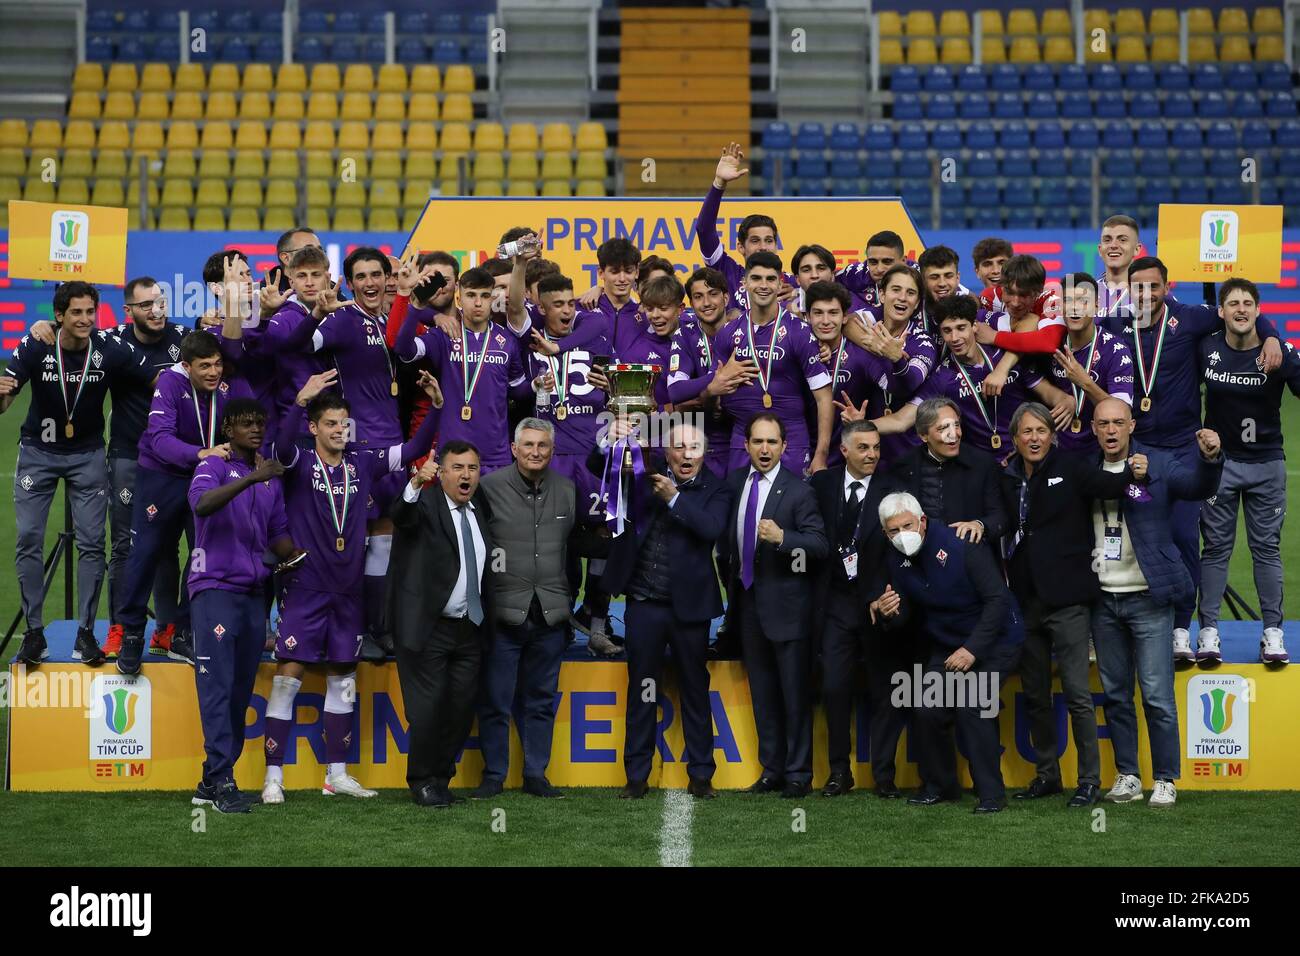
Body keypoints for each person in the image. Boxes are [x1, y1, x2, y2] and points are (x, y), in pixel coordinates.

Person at [259, 370, 443, 804]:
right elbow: (279, 448)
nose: (340, 431)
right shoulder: (300, 462)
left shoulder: (364, 461)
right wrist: (301, 400)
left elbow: (414, 450)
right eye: (331, 424)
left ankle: (336, 775)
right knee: (288, 676)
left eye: (344, 424)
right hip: (306, 586)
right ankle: (273, 777)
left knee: (343, 677)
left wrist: (435, 408)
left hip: (348, 589)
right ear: (314, 428)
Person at [1099, 255, 1282, 659]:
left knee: (1184, 538)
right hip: (1139, 449)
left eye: (1153, 286)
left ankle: (1182, 628)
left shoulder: (1192, 318)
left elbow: (1239, 314)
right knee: (1136, 540)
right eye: (1138, 286)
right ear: (1129, 289)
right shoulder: (1114, 326)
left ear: (1167, 287)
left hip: (1183, 450)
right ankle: (1131, 626)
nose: (1146, 293)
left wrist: (1270, 335)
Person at [25, 277, 190, 659]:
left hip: (175, 456)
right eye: (146, 304)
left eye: (160, 302)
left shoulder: (184, 337)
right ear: (128, 311)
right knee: (123, 546)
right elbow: (74, 333)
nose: (156, 310)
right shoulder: (113, 340)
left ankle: (166, 629)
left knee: (168, 546)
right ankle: (118, 628)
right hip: (128, 454)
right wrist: (46, 326)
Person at [2, 281, 154, 666]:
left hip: (87, 455)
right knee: (29, 539)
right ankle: (34, 633)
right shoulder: (36, 344)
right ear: (59, 316)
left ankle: (86, 634)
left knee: (91, 543)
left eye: (90, 312)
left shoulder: (108, 349)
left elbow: (155, 378)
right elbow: (5, 401)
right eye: (76, 312)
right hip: (38, 453)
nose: (85, 319)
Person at [999, 402, 1140, 807]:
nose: (1034, 438)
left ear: (1052, 435)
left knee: (1078, 693)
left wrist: (1135, 471)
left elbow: (1112, 487)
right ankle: (1047, 775)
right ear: (1015, 439)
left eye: (1041, 430)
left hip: (1068, 601)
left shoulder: (1073, 468)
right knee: (1036, 693)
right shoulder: (1008, 478)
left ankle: (1089, 781)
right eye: (1026, 432)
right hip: (1026, 601)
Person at [1089, 398, 1224, 808]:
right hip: (1103, 599)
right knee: (1115, 695)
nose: (1111, 431)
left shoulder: (1159, 464)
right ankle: (1128, 775)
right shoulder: (1084, 469)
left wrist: (1211, 456)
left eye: (1118, 422)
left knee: (1157, 696)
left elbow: (1199, 487)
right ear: (1093, 428)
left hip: (1149, 596)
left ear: (1131, 425)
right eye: (1103, 424)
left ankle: (1165, 778)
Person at [591, 420, 730, 799]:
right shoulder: (643, 475)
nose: (687, 455)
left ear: (705, 453)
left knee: (695, 691)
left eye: (695, 448)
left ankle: (702, 775)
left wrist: (673, 498)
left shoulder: (716, 487)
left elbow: (711, 528)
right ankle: (636, 776)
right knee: (642, 691)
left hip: (691, 611)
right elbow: (595, 468)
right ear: (666, 451)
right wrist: (609, 440)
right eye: (679, 447)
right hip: (644, 605)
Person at [873, 491, 1024, 813]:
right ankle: (940, 786)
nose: (902, 536)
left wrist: (972, 650)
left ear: (922, 521)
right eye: (893, 531)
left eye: (907, 526)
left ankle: (991, 795)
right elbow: (905, 614)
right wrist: (888, 612)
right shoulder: (896, 559)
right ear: (885, 533)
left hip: (996, 640)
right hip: (947, 644)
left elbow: (997, 600)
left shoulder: (961, 544)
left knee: (972, 705)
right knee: (926, 705)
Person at [187, 398, 298, 813]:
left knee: (237, 692)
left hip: (254, 593)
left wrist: (294, 555)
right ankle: (222, 782)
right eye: (245, 423)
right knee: (217, 688)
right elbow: (202, 504)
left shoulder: (269, 475)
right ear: (228, 429)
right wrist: (251, 479)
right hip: (214, 589)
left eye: (259, 422)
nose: (255, 429)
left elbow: (278, 530)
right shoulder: (213, 465)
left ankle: (211, 779)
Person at [116, 331, 250, 675]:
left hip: (205, 476)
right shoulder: (171, 384)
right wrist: (201, 453)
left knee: (202, 555)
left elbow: (253, 416)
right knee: (146, 552)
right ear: (186, 365)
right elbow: (160, 439)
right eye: (204, 366)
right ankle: (132, 631)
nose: (213, 372)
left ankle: (183, 631)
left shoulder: (229, 384)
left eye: (218, 364)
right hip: (162, 476)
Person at [725, 414, 829, 798]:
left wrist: (785, 538)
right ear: (747, 446)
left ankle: (799, 773)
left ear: (785, 447)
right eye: (757, 442)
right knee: (764, 694)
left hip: (789, 611)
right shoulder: (735, 483)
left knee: (794, 694)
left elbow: (819, 546)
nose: (764, 449)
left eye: (772, 442)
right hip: (748, 606)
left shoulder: (799, 491)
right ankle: (772, 770)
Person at [1196, 278, 1299, 664]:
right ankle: (1208, 631)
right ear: (1220, 312)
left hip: (1267, 464)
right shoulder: (1205, 348)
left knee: (1266, 550)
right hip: (1219, 465)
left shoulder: (1279, 351)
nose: (1240, 309)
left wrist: (1279, 343)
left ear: (1258, 310)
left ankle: (1272, 633)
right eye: (1232, 303)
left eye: (1247, 303)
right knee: (1216, 550)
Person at [388, 440, 494, 808]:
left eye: (472, 468)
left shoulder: (479, 507)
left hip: (469, 627)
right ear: (442, 472)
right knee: (427, 708)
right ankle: (421, 781)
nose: (466, 475)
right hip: (427, 627)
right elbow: (401, 515)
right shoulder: (426, 504)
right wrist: (416, 483)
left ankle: (441, 779)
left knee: (461, 707)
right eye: (457, 468)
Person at [475, 418, 576, 798]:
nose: (536, 452)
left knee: (541, 700)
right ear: (514, 449)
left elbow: (572, 551)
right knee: (496, 701)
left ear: (552, 450)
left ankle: (536, 773)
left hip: (550, 614)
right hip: (504, 614)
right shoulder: (488, 488)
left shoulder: (568, 490)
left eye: (543, 446)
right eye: (528, 445)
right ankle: (494, 775)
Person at [809, 421, 899, 797]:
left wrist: (888, 595)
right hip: (835, 605)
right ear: (843, 450)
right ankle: (839, 772)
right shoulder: (823, 484)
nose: (872, 455)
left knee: (884, 691)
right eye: (863, 448)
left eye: (876, 447)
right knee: (835, 688)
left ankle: (884, 777)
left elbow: (904, 547)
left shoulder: (893, 489)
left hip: (878, 605)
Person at [871, 296, 1072, 456]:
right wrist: (858, 425)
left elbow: (1050, 395)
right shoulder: (943, 376)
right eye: (947, 331)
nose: (955, 338)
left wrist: (1067, 400)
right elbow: (900, 421)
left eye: (961, 328)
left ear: (974, 326)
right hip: (985, 467)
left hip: (1026, 454)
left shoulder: (1004, 357)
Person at [395, 266, 531, 472]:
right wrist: (415, 308)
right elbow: (404, 350)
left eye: (484, 296)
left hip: (495, 456)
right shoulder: (443, 336)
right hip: (452, 454)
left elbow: (518, 390)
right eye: (471, 295)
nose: (478, 303)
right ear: (459, 297)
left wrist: (538, 386)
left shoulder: (507, 341)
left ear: (493, 298)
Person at [716, 252, 834, 475]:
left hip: (792, 436)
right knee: (742, 507)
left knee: (791, 507)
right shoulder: (727, 333)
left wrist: (821, 454)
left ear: (780, 282)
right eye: (757, 278)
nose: (764, 285)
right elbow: (716, 388)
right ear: (745, 283)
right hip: (743, 437)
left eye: (770, 279)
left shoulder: (800, 332)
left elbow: (824, 397)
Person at [876, 397, 1008, 548]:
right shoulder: (904, 468)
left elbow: (1000, 517)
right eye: (942, 429)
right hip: (922, 559)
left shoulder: (982, 464)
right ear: (923, 435)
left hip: (971, 555)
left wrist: (980, 525)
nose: (953, 434)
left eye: (956, 425)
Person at [694, 142, 796, 311]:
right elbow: (704, 230)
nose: (763, 247)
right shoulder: (727, 273)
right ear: (741, 247)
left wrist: (800, 297)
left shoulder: (792, 284)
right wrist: (719, 184)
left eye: (769, 240)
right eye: (755, 240)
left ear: (776, 245)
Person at [1046, 272, 1135, 454]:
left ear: (1096, 306)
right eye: (1069, 301)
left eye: (1083, 301)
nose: (1075, 308)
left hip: (1100, 451)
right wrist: (1059, 397)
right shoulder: (1051, 343)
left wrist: (1084, 382)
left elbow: (1121, 414)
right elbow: (1029, 376)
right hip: (1058, 450)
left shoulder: (1115, 349)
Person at [1095, 214, 1141, 317]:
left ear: (1137, 249)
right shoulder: (1086, 293)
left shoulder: (1150, 295)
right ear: (1100, 249)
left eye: (1122, 240)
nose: (1113, 245)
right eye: (1107, 240)